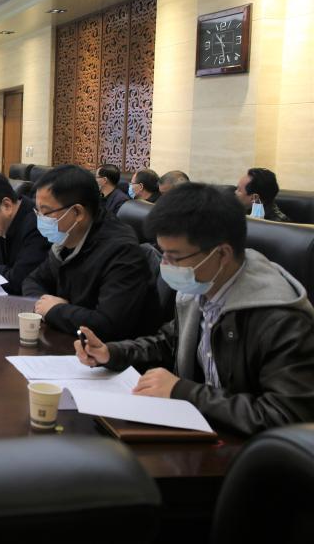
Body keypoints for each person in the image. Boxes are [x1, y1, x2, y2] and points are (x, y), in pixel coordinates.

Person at [76, 183, 314, 436]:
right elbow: (171, 342)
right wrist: (112, 353)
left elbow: (286, 416)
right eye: (163, 254)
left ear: (222, 254)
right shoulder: (201, 286)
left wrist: (183, 391)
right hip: (202, 430)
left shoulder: (280, 318)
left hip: (252, 449)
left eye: (175, 257)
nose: (165, 265)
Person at [22, 165, 160, 341]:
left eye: (46, 212)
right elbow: (32, 280)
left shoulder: (121, 251)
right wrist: (44, 304)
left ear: (78, 212)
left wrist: (56, 310)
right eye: (38, 211)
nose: (40, 219)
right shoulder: (66, 238)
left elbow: (108, 325)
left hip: (113, 352)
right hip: (70, 339)